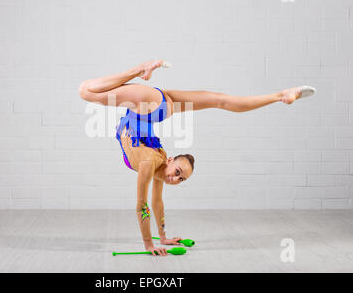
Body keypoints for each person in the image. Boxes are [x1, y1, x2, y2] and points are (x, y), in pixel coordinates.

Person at [78, 60, 316, 256]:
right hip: (149, 104)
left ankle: (280, 95)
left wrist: (162, 237)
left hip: (154, 104)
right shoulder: (152, 162)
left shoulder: (156, 165)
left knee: (220, 100)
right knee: (85, 91)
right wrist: (149, 245)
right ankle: (142, 69)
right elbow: (142, 205)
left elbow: (154, 203)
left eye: (180, 179)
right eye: (178, 173)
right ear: (170, 160)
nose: (174, 179)